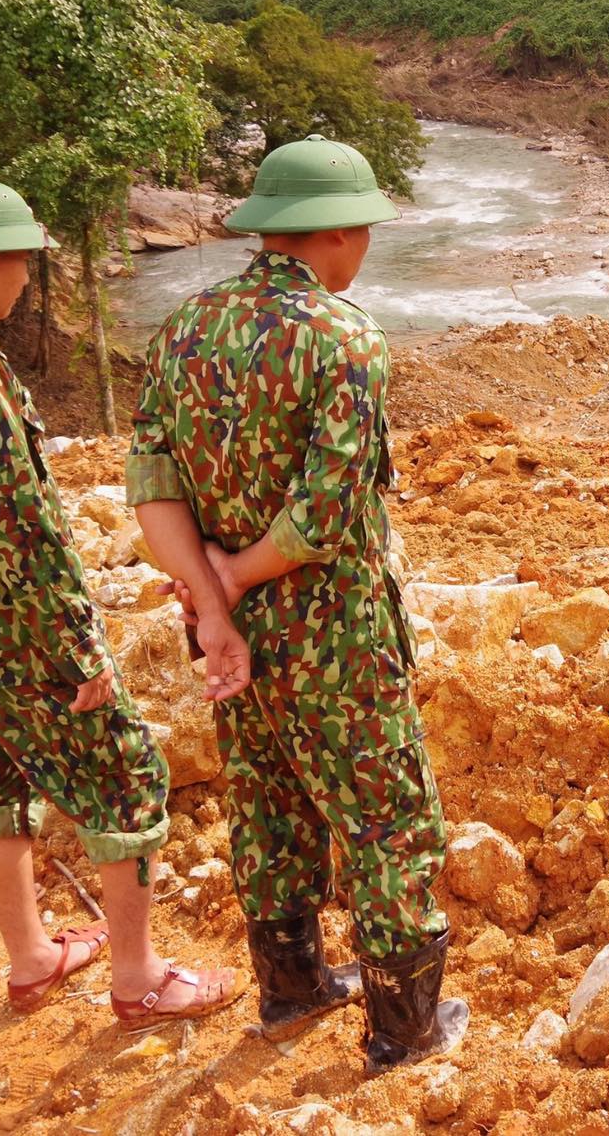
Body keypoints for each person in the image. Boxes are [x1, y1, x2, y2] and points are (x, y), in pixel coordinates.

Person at [0, 174, 239, 1024]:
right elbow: (16, 523)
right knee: (128, 776)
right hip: (10, 630)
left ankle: (30, 958)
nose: (27, 279)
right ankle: (137, 979)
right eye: (21, 260)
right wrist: (78, 641)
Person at [128, 135, 465, 1073]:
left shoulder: (184, 330)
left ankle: (291, 990)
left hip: (234, 635)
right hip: (338, 635)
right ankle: (406, 1032)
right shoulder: (344, 337)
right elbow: (325, 511)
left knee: (271, 801)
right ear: (340, 234)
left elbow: (152, 484)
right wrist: (236, 576)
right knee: (386, 818)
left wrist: (211, 602)